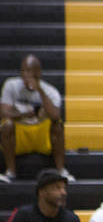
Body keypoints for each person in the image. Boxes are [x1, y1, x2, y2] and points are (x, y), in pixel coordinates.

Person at [1, 55, 73, 183]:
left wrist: (39, 90)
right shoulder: (11, 85)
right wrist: (23, 114)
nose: (26, 75)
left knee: (57, 125)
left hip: (40, 136)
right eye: (23, 71)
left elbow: (56, 116)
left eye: (29, 71)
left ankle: (61, 170)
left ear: (39, 73)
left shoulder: (49, 91)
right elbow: (4, 112)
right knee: (6, 125)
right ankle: (11, 172)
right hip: (20, 134)